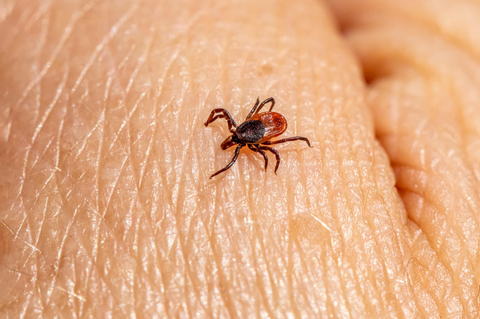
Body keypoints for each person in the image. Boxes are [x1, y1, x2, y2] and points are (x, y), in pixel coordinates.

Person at [1, 0, 478, 317]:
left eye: (237, 139)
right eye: (235, 135)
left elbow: (272, 145)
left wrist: (275, 145)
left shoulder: (257, 141)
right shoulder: (245, 131)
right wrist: (229, 133)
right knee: (258, 123)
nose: (235, 138)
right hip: (268, 117)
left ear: (250, 136)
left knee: (282, 144)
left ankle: (294, 140)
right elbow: (246, 116)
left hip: (276, 123)